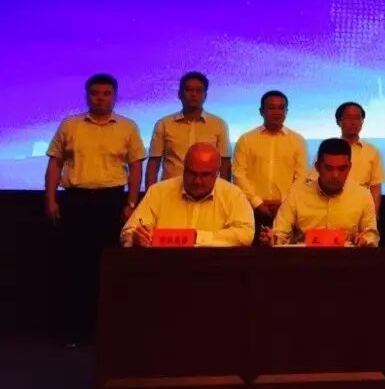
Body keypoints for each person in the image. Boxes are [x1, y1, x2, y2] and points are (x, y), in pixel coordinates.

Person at [44, 73, 146, 344]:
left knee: (108, 267)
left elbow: (136, 167)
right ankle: (74, 331)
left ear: (115, 96)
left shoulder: (127, 127)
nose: (100, 98)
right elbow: (55, 163)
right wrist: (50, 200)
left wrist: (131, 203)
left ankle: (106, 332)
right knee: (74, 267)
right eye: (95, 93)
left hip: (111, 203)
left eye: (106, 93)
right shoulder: (70, 125)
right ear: (87, 95)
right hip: (76, 202)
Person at [122, 143, 253, 247]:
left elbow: (246, 235)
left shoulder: (233, 195)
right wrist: (134, 238)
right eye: (192, 173)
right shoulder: (158, 191)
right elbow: (128, 232)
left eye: (205, 175)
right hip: (162, 266)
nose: (197, 181)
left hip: (214, 267)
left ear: (216, 174)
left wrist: (196, 237)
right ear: (184, 169)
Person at [265, 138, 378, 246]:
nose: (335, 175)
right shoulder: (297, 193)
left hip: (347, 257)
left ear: (349, 168)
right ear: (317, 167)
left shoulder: (362, 195)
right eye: (329, 168)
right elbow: (280, 233)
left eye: (341, 169)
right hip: (305, 257)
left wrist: (365, 240)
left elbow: (372, 236)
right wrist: (273, 239)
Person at [231, 90, 308, 233]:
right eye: (271, 108)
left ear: (286, 111)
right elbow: (238, 175)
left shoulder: (297, 141)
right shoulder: (246, 140)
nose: (277, 112)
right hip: (251, 209)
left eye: (281, 108)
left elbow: (301, 177)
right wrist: (257, 203)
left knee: (284, 246)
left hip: (287, 210)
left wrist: (285, 204)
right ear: (261, 111)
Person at [145, 71, 231, 189]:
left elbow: (225, 165)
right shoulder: (164, 124)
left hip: (206, 190)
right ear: (179, 94)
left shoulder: (219, 125)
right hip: (170, 190)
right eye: (189, 90)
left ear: (205, 96)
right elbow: (154, 164)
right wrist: (150, 194)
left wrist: (224, 193)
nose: (194, 94)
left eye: (199, 90)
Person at [324, 101, 385, 214]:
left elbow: (375, 187)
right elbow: (314, 181)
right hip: (332, 206)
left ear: (362, 122)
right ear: (338, 122)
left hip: (361, 208)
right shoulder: (328, 148)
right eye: (349, 118)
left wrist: (373, 215)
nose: (353, 122)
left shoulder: (371, 151)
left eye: (357, 118)